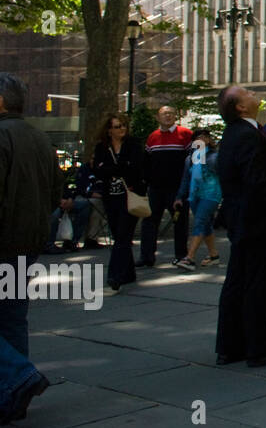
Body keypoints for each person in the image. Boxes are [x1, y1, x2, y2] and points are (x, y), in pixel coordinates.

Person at [214, 85, 266, 367]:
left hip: (242, 218)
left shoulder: (236, 133)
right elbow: (254, 180)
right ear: (240, 106)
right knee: (258, 283)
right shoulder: (247, 135)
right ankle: (259, 348)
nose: (252, 93)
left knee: (239, 279)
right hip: (258, 219)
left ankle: (231, 345)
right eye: (246, 92)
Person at [0, 74, 61, 424]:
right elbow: (55, 192)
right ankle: (12, 398)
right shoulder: (38, 137)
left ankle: (19, 376)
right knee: (12, 319)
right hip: (28, 243)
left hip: (4, 242)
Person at [91, 111, 149, 293]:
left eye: (123, 125)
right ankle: (129, 272)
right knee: (119, 235)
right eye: (117, 126)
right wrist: (118, 169)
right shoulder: (102, 148)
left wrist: (113, 170)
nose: (121, 129)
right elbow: (98, 170)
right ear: (109, 130)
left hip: (130, 197)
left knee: (123, 235)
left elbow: (136, 168)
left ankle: (114, 276)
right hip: (111, 197)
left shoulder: (133, 145)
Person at [138, 105, 192, 268]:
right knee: (149, 222)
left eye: (170, 113)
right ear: (158, 117)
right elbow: (146, 162)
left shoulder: (186, 134)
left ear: (175, 116)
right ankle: (147, 256)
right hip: (155, 188)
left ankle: (180, 255)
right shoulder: (152, 137)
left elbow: (194, 160)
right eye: (164, 114)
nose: (167, 116)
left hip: (177, 188)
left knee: (180, 222)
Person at [174, 129, 221, 270]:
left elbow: (222, 172)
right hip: (194, 195)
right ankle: (214, 255)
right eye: (198, 138)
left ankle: (190, 257)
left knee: (199, 221)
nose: (201, 140)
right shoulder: (190, 159)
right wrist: (179, 197)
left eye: (204, 137)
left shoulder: (214, 157)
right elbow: (185, 180)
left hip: (211, 195)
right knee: (205, 224)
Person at [46, 163, 96, 254]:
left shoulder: (57, 174)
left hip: (63, 200)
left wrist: (70, 198)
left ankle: (73, 241)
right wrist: (58, 201)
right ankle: (49, 244)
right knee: (55, 213)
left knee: (84, 205)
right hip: (49, 203)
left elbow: (65, 187)